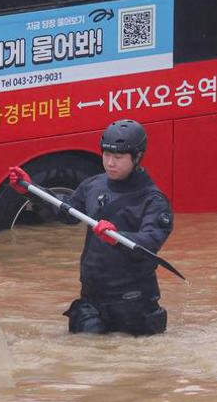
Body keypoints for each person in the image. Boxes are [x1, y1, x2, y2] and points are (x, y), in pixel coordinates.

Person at [61, 119, 174, 336]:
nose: (110, 163)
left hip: (133, 304)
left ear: (137, 157)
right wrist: (29, 190)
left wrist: (117, 237)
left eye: (118, 157)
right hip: (93, 299)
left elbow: (150, 241)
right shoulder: (92, 185)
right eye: (106, 155)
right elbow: (67, 213)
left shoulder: (154, 200)